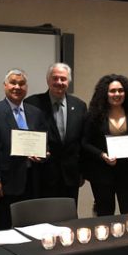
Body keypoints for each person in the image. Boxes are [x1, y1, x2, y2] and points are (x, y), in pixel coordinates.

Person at [0, 69, 46, 230]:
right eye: (13, 83)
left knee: (31, 227)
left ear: (26, 88)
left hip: (32, 180)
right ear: (5, 85)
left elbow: (44, 142)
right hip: (5, 182)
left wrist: (44, 154)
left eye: (21, 84)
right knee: (2, 228)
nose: (17, 87)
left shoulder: (35, 113)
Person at [82, 74, 128, 216]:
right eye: (112, 91)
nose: (117, 94)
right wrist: (102, 155)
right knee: (105, 216)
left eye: (120, 90)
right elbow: (85, 143)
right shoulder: (93, 115)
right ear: (105, 93)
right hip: (102, 175)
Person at [25, 62, 87, 203]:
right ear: (48, 80)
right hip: (42, 175)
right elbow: (25, 133)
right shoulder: (32, 103)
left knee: (68, 214)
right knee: (43, 214)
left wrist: (82, 172)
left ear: (68, 82)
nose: (59, 82)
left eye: (63, 79)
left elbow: (82, 141)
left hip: (71, 176)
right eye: (55, 78)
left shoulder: (79, 106)